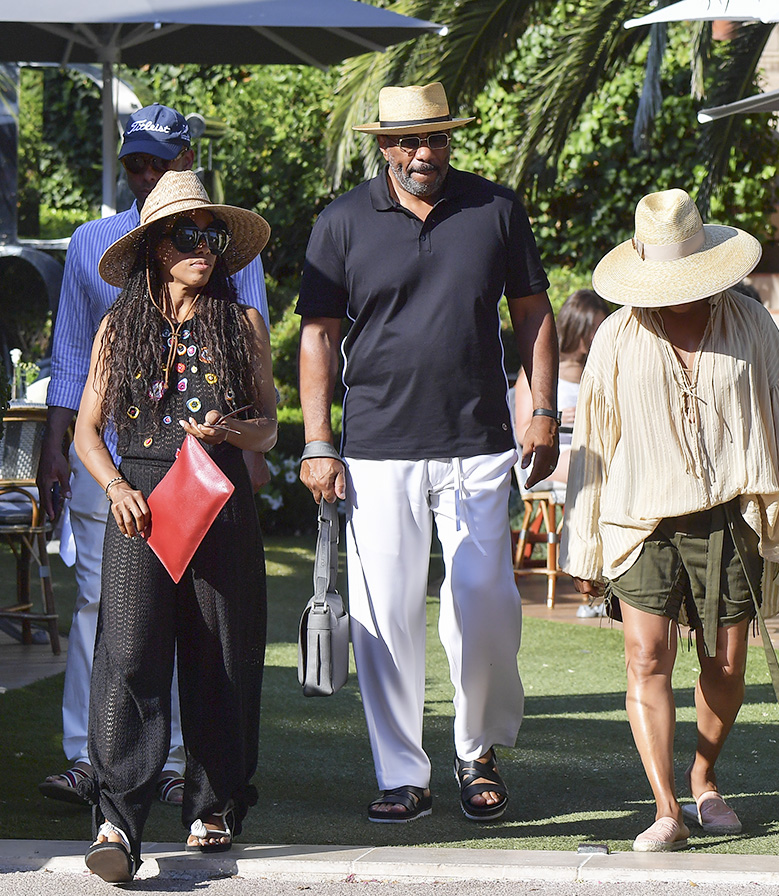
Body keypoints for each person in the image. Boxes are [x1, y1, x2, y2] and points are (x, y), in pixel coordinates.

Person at [296, 82, 558, 824]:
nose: (424, 154)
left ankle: (478, 750)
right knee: (386, 619)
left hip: (479, 442)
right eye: (409, 141)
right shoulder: (341, 222)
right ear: (384, 146)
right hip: (377, 447)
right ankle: (402, 773)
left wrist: (543, 411)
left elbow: (533, 313)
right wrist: (318, 442)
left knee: (485, 606)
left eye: (436, 139)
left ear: (451, 140)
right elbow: (317, 337)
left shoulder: (496, 209)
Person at [559, 189, 779, 852]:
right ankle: (665, 808)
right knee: (645, 656)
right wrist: (583, 544)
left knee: (726, 663)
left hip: (732, 515)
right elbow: (593, 444)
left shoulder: (750, 324)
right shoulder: (615, 336)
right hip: (640, 518)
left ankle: (703, 776)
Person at [35, 104, 269, 808]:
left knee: (208, 636)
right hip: (119, 460)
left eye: (160, 160)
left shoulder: (226, 275)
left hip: (208, 477)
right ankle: (93, 762)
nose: (145, 171)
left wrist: (244, 454)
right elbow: (71, 359)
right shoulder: (91, 246)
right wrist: (65, 453)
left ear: (186, 158)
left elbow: (256, 393)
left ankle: (185, 776)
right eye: (135, 160)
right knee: (109, 622)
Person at [74, 170, 275, 883]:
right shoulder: (118, 326)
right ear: (156, 247)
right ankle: (118, 823)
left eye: (212, 234)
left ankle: (211, 804)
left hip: (217, 498)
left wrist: (232, 427)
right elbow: (86, 433)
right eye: (187, 235)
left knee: (220, 655)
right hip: (142, 503)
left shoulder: (241, 322)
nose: (203, 247)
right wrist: (117, 486)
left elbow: (271, 429)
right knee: (129, 654)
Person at [513, 289, 609, 491]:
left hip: (598, 449)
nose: (598, 336)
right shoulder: (540, 372)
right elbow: (522, 432)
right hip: (553, 454)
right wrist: (553, 418)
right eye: (594, 328)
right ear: (576, 327)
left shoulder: (600, 370)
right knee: (593, 464)